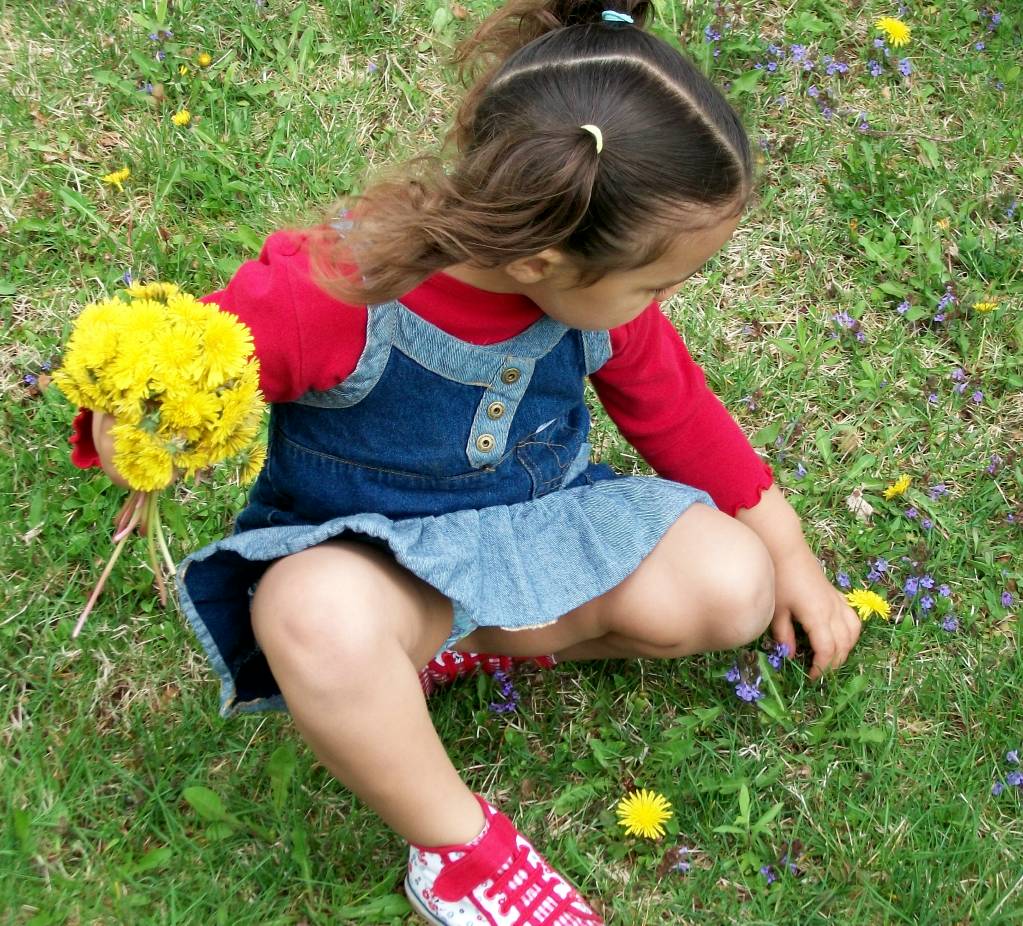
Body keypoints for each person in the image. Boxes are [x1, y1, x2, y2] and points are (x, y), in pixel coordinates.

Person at [68, 1, 862, 922]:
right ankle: (462, 852)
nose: (665, 300)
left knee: (734, 583)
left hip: (531, 531)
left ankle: (450, 653)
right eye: (654, 282)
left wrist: (791, 556)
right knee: (314, 618)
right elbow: (177, 368)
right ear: (542, 255)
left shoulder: (599, 304)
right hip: (361, 565)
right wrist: (134, 431)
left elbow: (682, 418)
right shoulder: (332, 293)